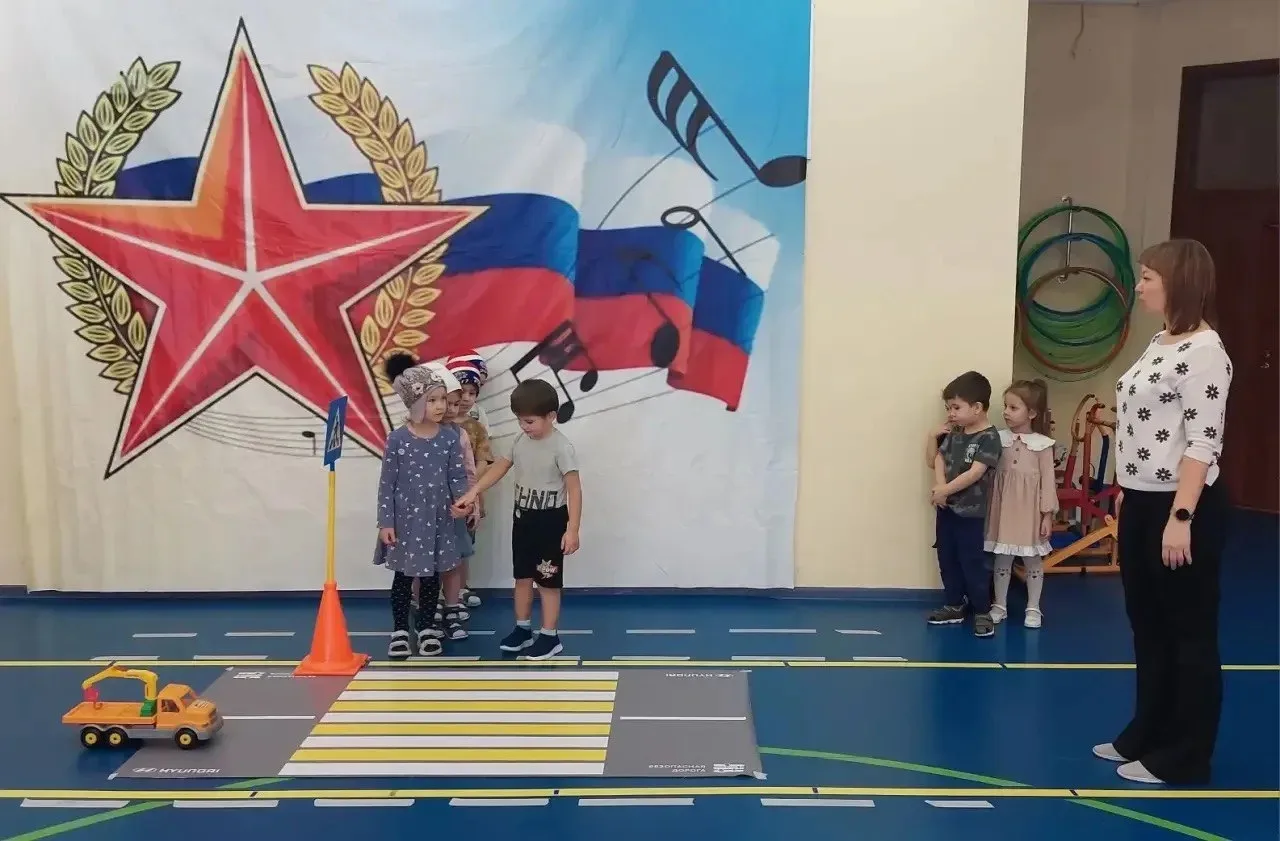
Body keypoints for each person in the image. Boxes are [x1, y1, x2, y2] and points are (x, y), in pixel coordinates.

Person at [1093, 238, 1232, 786]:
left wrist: (1181, 517)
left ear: (1178, 283)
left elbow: (1202, 442)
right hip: (1143, 499)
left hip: (1183, 506)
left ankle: (1186, 755)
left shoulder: (1205, 352)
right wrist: (1131, 488)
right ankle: (1147, 731)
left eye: (1148, 277)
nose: (1140, 286)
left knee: (1187, 632)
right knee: (1147, 625)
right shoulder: (1159, 342)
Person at [453, 379, 581, 660]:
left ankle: (550, 636)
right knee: (522, 577)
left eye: (530, 421)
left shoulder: (561, 447)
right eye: (520, 421)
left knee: (547, 581)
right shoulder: (520, 440)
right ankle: (522, 629)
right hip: (523, 519)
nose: (524, 426)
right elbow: (501, 466)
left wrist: (572, 529)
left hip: (550, 522)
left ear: (551, 416)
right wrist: (474, 491)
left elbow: (574, 489)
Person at [375, 355, 473, 659]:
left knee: (432, 577)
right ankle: (400, 630)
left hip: (439, 520)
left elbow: (457, 476)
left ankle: (427, 627)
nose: (441, 406)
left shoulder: (448, 438)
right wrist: (386, 522)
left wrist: (463, 502)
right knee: (403, 578)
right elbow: (387, 484)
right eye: (432, 400)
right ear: (416, 404)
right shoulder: (397, 439)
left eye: (443, 399)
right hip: (406, 523)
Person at [925, 371, 1002, 637]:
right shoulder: (955, 432)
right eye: (948, 408)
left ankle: (981, 610)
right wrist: (940, 489)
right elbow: (936, 459)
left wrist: (944, 490)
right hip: (945, 509)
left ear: (977, 408)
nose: (951, 413)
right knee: (947, 557)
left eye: (956, 407)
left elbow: (975, 473)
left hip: (972, 513)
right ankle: (954, 604)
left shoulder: (989, 437)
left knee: (973, 561)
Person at [985, 379, 1057, 629]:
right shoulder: (998, 438)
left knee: (1032, 560)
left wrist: (1047, 515)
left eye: (1013, 407)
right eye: (1006, 406)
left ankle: (1033, 606)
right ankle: (999, 605)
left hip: (1029, 512)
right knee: (1001, 559)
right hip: (1003, 509)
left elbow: (1048, 482)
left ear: (1032, 413)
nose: (1006, 412)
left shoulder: (1043, 444)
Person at [447, 355, 494, 610]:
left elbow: (484, 460)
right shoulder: (436, 425)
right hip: (441, 497)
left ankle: (461, 588)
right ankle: (432, 594)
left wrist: (472, 488)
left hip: (468, 495)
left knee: (464, 545)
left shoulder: (476, 428)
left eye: (472, 393)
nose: (466, 398)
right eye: (461, 392)